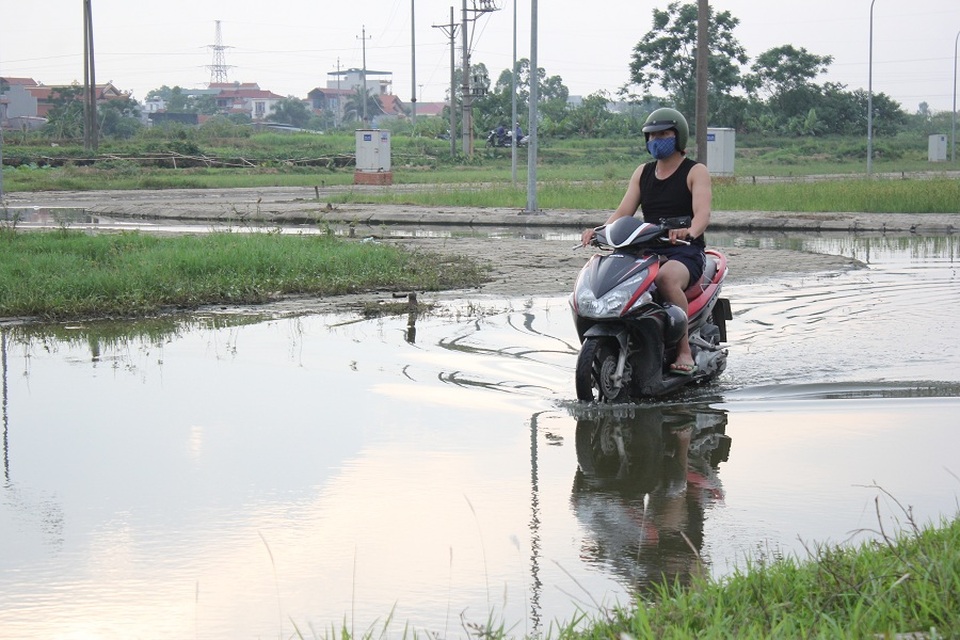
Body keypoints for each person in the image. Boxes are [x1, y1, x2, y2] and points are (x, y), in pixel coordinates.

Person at [580, 107, 712, 375]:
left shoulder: (695, 171)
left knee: (666, 279)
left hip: (683, 251)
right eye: (651, 136)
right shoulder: (643, 172)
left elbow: (702, 214)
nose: (655, 140)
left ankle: (683, 349)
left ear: (678, 137)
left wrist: (688, 231)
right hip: (647, 249)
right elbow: (623, 212)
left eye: (663, 135)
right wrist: (599, 230)